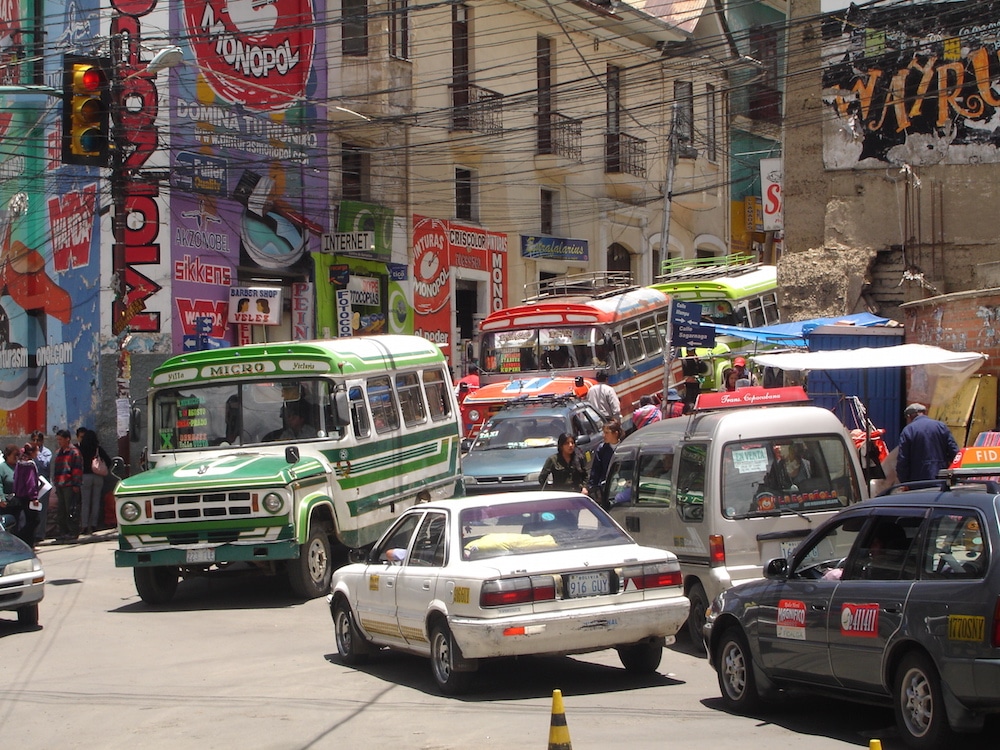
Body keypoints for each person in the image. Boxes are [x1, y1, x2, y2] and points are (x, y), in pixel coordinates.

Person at [896, 403, 959, 482]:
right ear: (925, 412)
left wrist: (904, 481)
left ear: (909, 416)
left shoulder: (908, 430)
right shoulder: (941, 426)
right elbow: (955, 453)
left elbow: (903, 460)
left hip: (918, 482)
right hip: (941, 479)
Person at [78, 428, 111, 536]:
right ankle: (94, 524)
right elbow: (109, 460)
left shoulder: (80, 449)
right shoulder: (97, 449)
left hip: (85, 476)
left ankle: (84, 525)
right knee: (96, 501)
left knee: (85, 502)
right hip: (98, 477)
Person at [53, 429, 84, 542]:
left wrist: (76, 484)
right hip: (60, 485)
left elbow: (77, 469)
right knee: (61, 511)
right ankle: (63, 532)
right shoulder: (59, 452)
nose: (59, 442)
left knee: (71, 509)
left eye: (61, 439)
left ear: (67, 439)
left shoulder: (74, 452)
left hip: (70, 485)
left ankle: (73, 532)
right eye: (58, 440)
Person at [12, 444, 40, 547]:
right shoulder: (29, 465)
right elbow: (30, 482)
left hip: (20, 495)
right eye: (36, 451)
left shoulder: (20, 463)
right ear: (31, 452)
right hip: (28, 497)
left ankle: (29, 543)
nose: (37, 453)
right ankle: (21, 539)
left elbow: (15, 478)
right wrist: (34, 497)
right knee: (34, 520)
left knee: (27, 520)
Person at [587, 420, 623, 498]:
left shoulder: (625, 447)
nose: (604, 435)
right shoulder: (602, 449)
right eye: (604, 433)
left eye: (607, 433)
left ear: (615, 433)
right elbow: (596, 470)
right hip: (605, 487)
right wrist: (591, 487)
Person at [0, 444, 20, 530]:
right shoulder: (2, 467)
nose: (16, 457)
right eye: (14, 455)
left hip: (18, 502)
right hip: (6, 504)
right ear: (8, 455)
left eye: (18, 455)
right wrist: (2, 499)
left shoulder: (19, 467)